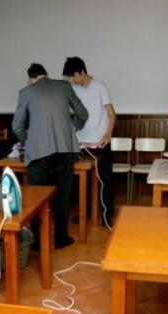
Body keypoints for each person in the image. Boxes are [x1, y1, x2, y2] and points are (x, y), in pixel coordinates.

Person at [12, 63, 89, 249]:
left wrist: (29, 140)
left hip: (38, 151)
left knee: (37, 196)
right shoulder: (64, 86)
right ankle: (61, 238)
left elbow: (17, 127)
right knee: (63, 194)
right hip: (65, 148)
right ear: (46, 73)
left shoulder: (26, 92)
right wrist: (72, 129)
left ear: (31, 78)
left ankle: (38, 243)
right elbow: (83, 114)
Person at [62, 56, 117, 225]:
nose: (72, 80)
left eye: (73, 76)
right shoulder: (74, 89)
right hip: (81, 143)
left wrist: (108, 134)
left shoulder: (100, 87)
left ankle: (107, 216)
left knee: (104, 181)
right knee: (83, 183)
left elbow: (111, 114)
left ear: (81, 72)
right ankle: (84, 215)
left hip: (100, 143)